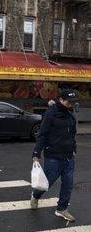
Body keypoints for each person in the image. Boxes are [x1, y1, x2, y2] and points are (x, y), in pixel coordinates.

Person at [31, 88, 78, 222]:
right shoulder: (51, 113)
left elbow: (72, 133)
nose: (71, 105)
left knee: (68, 184)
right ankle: (35, 195)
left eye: (73, 102)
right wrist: (36, 153)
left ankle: (62, 209)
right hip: (53, 156)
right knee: (47, 182)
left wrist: (74, 148)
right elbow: (42, 134)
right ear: (61, 100)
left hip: (69, 156)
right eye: (69, 102)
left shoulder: (70, 115)